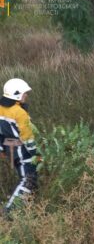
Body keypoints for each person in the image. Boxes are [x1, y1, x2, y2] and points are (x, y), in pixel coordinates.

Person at [0, 78, 38, 214]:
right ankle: (10, 211)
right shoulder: (19, 112)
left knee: (27, 179)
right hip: (21, 150)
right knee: (28, 179)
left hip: (9, 148)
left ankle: (25, 211)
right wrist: (36, 154)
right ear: (16, 94)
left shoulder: (1, 109)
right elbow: (27, 136)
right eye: (24, 93)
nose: (26, 96)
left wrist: (1, 149)